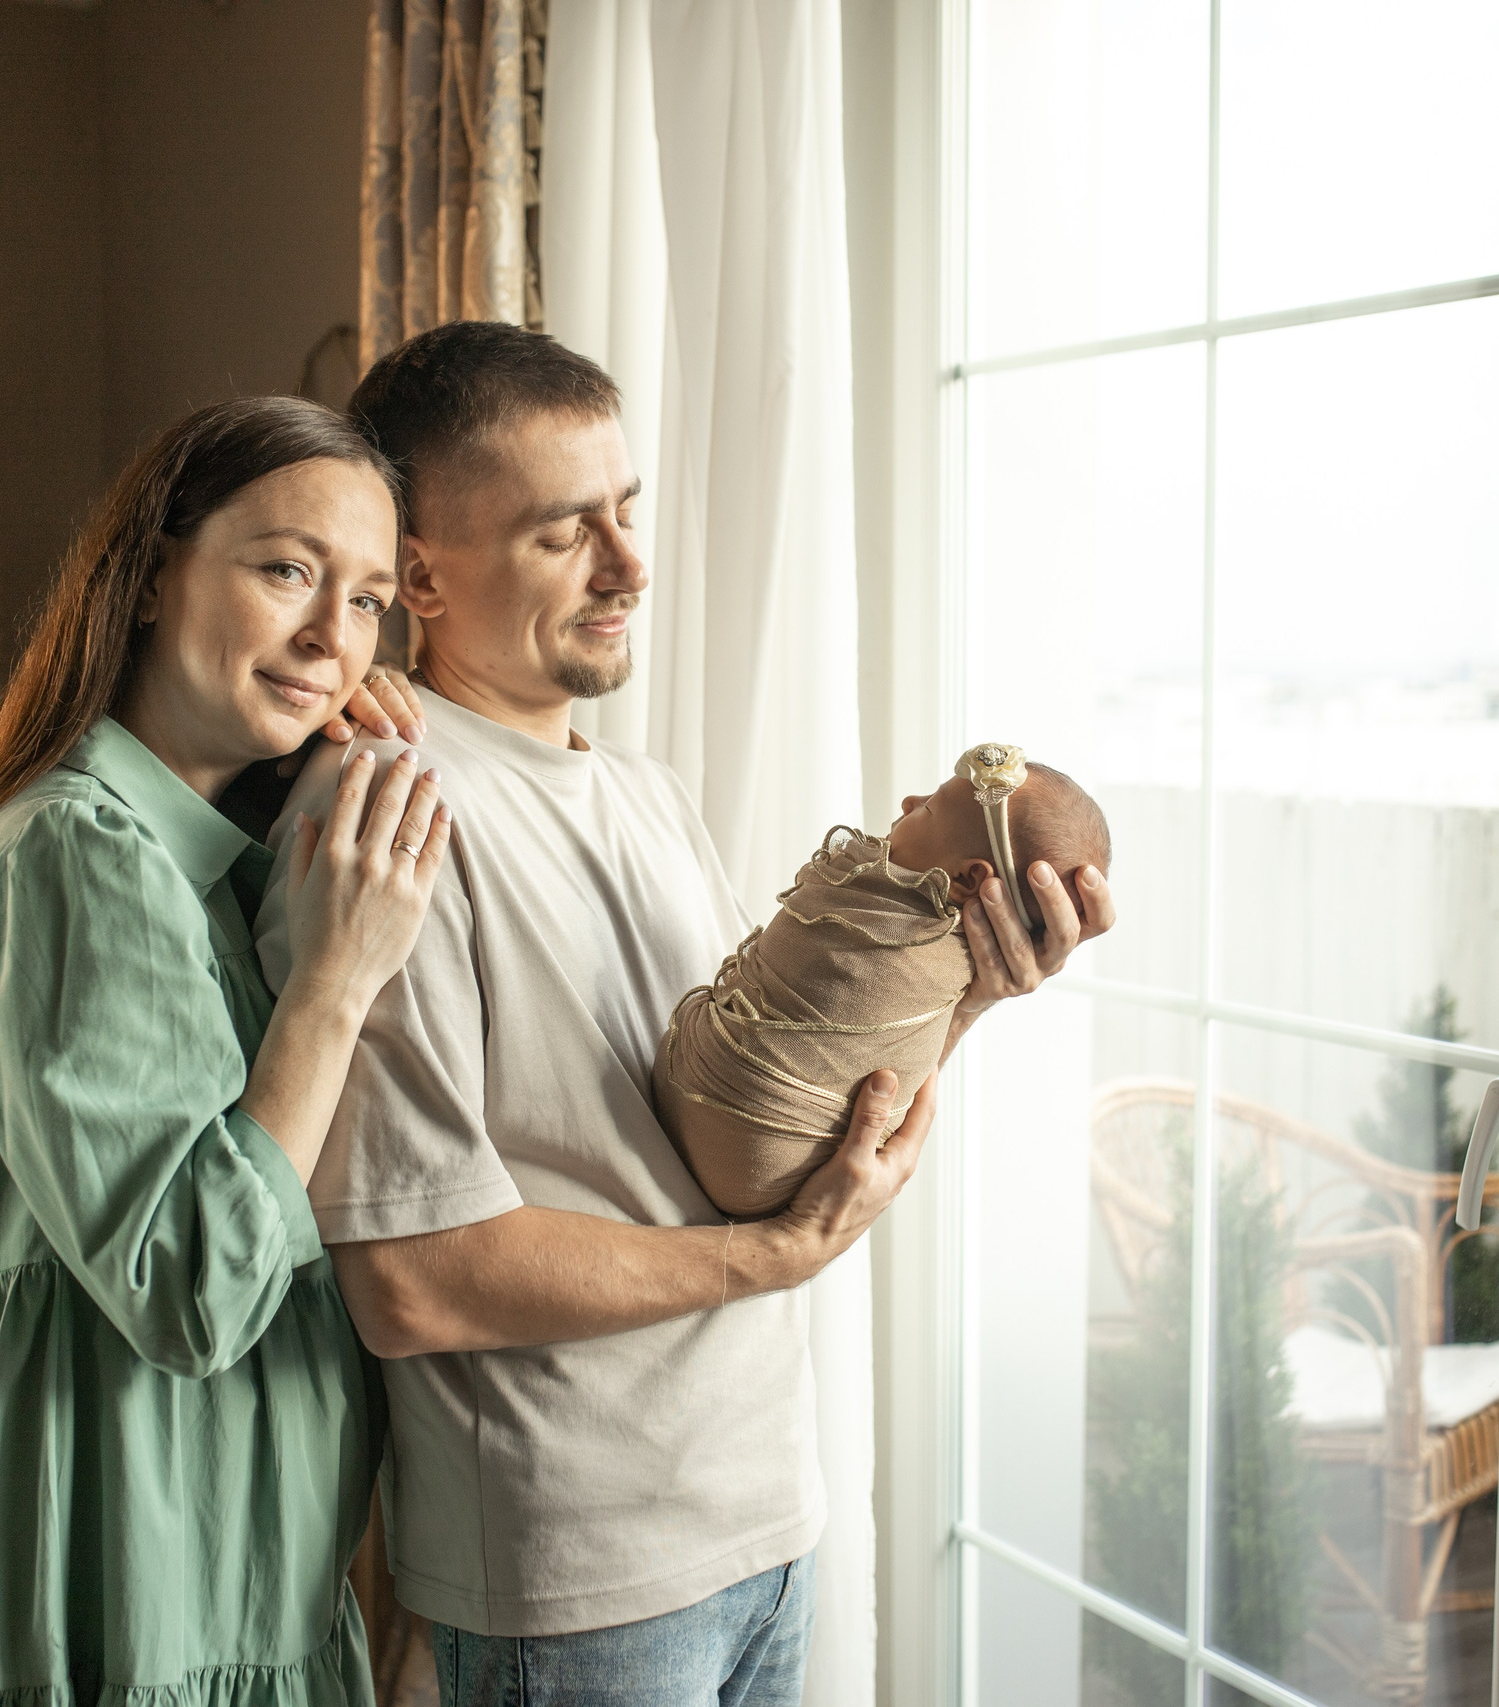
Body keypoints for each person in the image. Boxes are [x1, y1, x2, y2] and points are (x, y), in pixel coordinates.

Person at [255, 320, 1114, 1706]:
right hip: (576, 1578)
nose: (630, 565)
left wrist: (960, 989)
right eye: (561, 532)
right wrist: (772, 1258)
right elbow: (411, 1279)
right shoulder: (384, 810)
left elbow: (745, 1119)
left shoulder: (646, 794)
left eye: (628, 511)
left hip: (767, 1524)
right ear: (421, 573)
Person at [0, 397, 451, 1707]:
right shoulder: (80, 852)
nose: (328, 639)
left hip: (234, 1568)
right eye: (287, 569)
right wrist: (336, 983)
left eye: (365, 602)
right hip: (121, 1570)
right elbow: (191, 1285)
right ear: (147, 574)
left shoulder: (210, 858)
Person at [657, 746, 1114, 1218]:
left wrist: (972, 1003)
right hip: (750, 1171)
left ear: (967, 878)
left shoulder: (896, 927)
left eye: (930, 807)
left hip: (734, 1128)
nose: (909, 803)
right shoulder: (938, 952)